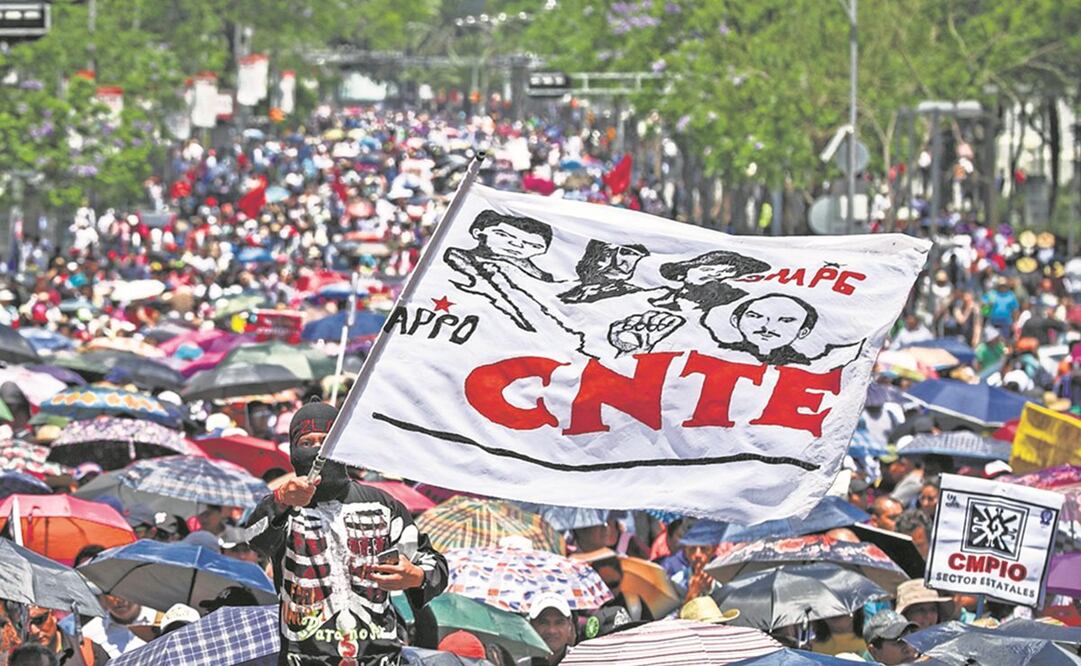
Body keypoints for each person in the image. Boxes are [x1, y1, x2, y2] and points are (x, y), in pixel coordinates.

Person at [244, 401, 448, 665]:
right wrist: (281, 500)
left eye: (327, 441)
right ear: (294, 450)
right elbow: (253, 537)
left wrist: (415, 576)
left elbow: (435, 566)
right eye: (307, 443)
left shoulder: (382, 505)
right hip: (305, 658)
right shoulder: (284, 508)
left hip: (378, 657)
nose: (318, 451)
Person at [648, 250, 770, 313]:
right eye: (707, 269)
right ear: (688, 271)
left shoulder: (731, 301)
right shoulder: (654, 294)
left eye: (726, 272)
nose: (714, 275)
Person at [24, 606, 109, 666]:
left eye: (39, 620)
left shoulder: (87, 650)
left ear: (53, 615)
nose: (33, 630)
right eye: (24, 625)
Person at [527, 593, 576, 665]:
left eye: (559, 623)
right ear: (531, 626)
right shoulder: (514, 663)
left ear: (569, 628)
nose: (551, 630)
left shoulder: (584, 660)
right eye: (543, 622)